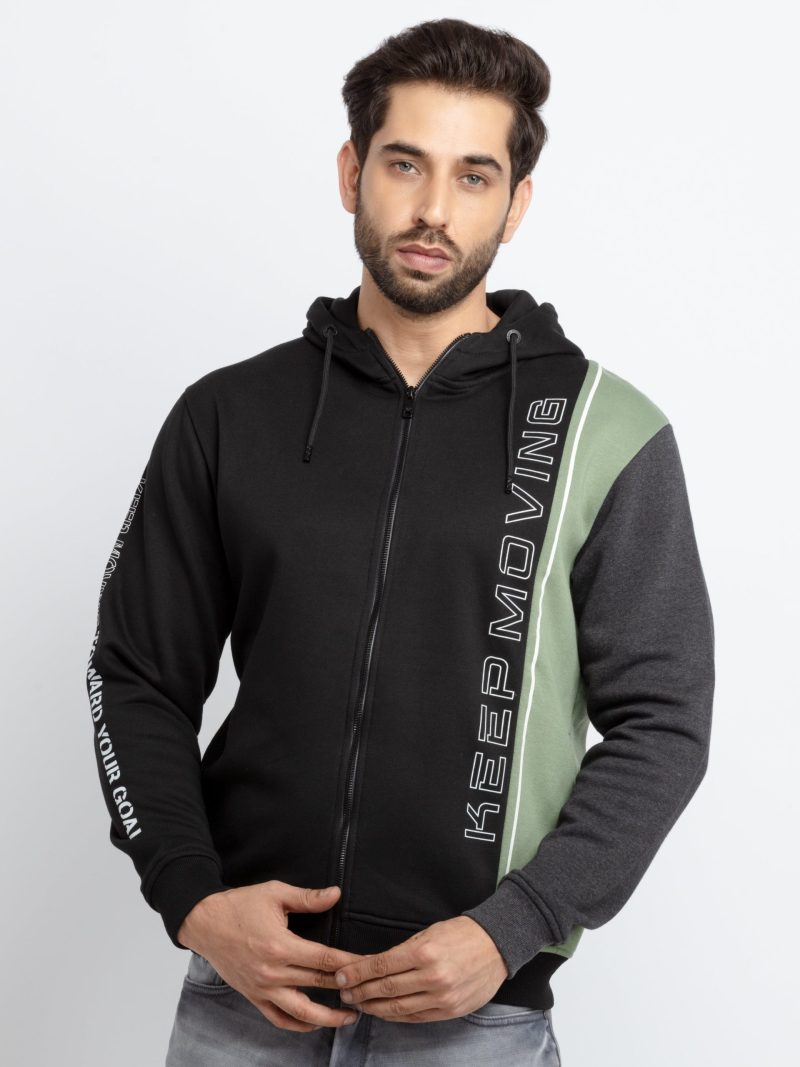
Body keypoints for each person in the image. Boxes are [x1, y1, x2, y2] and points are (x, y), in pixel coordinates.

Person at [85, 17, 715, 1067]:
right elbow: (136, 672)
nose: (432, 210)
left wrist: (511, 926)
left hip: (476, 1015)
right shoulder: (228, 416)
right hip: (246, 996)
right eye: (404, 164)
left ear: (515, 203)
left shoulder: (604, 432)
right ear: (352, 173)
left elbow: (664, 720)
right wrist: (192, 897)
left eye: (473, 176)